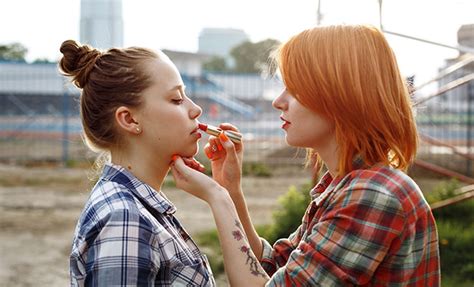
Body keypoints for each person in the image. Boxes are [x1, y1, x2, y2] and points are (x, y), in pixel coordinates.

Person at [170, 25, 441, 286]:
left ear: (341, 97)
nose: (278, 101)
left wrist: (218, 200)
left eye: (295, 90)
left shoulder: (373, 195)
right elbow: (275, 266)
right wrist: (230, 191)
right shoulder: (343, 185)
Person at [59, 40, 216, 286]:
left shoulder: (139, 209)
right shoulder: (125, 219)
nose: (195, 109)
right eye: (176, 99)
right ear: (129, 119)